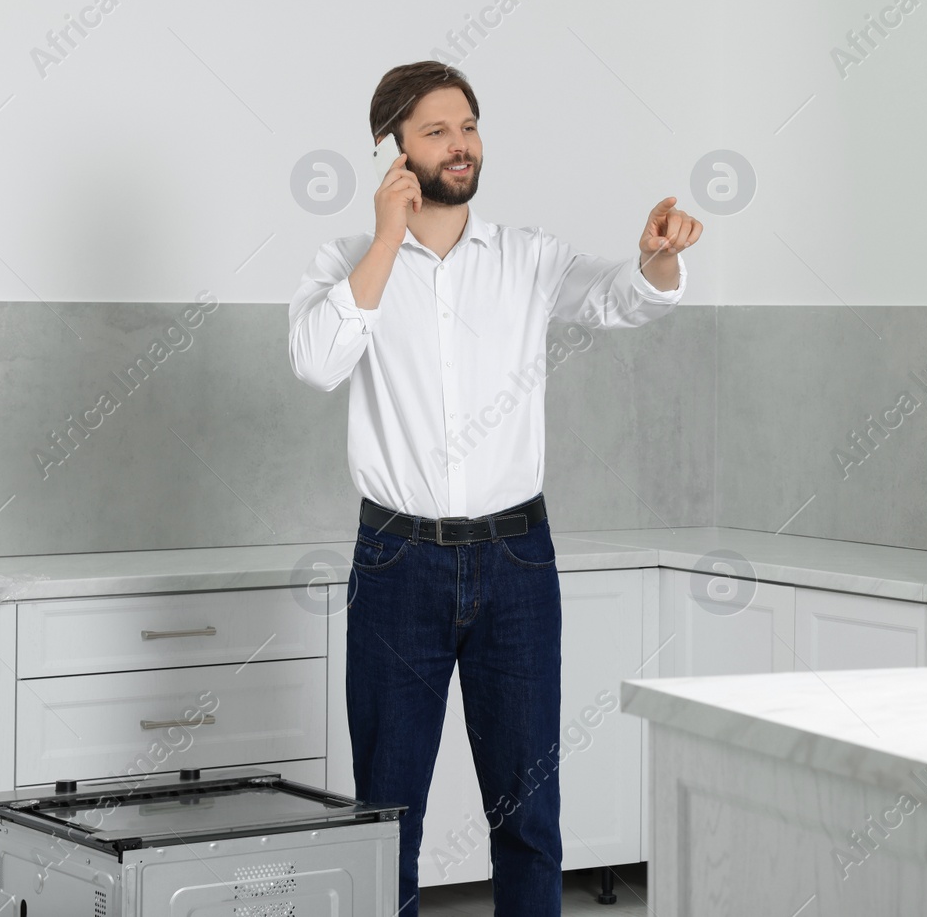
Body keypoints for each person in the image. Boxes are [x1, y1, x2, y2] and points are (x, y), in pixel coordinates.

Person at [287, 60, 701, 915]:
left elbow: (624, 299)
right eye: (437, 129)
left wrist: (657, 259)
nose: (461, 144)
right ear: (392, 149)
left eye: (468, 125)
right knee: (386, 813)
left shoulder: (528, 259)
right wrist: (387, 240)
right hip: (398, 560)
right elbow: (317, 362)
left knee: (528, 813)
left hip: (515, 560)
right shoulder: (346, 261)